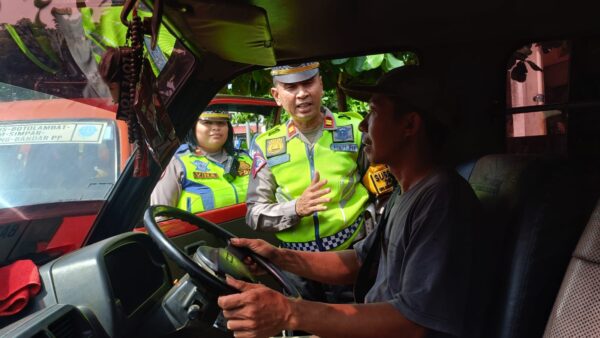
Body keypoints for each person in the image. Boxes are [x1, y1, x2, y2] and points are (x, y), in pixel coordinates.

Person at [218, 65, 494, 338]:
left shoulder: (439, 200)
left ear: (409, 125)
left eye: (373, 112)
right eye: (290, 87)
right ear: (276, 95)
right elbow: (363, 262)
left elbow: (413, 323)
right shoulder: (406, 192)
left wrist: (290, 312)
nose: (363, 125)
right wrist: (279, 257)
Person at [246, 62, 372, 302]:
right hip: (295, 266)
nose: (302, 93)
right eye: (291, 87)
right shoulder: (266, 145)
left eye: (308, 83)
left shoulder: (356, 129)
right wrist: (295, 208)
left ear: (321, 84)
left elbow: (381, 190)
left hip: (350, 257)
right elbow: (254, 214)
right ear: (277, 95)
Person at [150, 111, 252, 213]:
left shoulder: (245, 158)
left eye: (221, 122)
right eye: (207, 122)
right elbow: (160, 216)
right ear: (193, 127)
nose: (216, 127)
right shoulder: (177, 163)